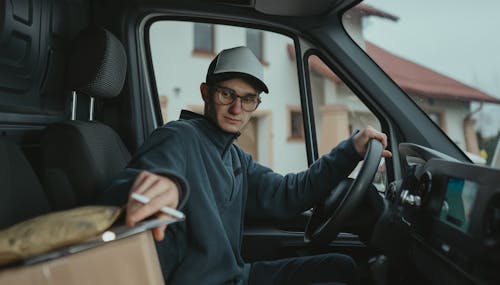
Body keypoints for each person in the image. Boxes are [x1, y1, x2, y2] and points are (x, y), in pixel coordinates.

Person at [102, 46, 392, 285]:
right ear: (206, 92)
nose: (237, 108)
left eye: (248, 99)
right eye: (227, 94)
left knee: (340, 267)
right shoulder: (178, 137)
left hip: (237, 275)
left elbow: (288, 194)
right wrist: (164, 185)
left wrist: (350, 150)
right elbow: (131, 188)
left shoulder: (235, 157)